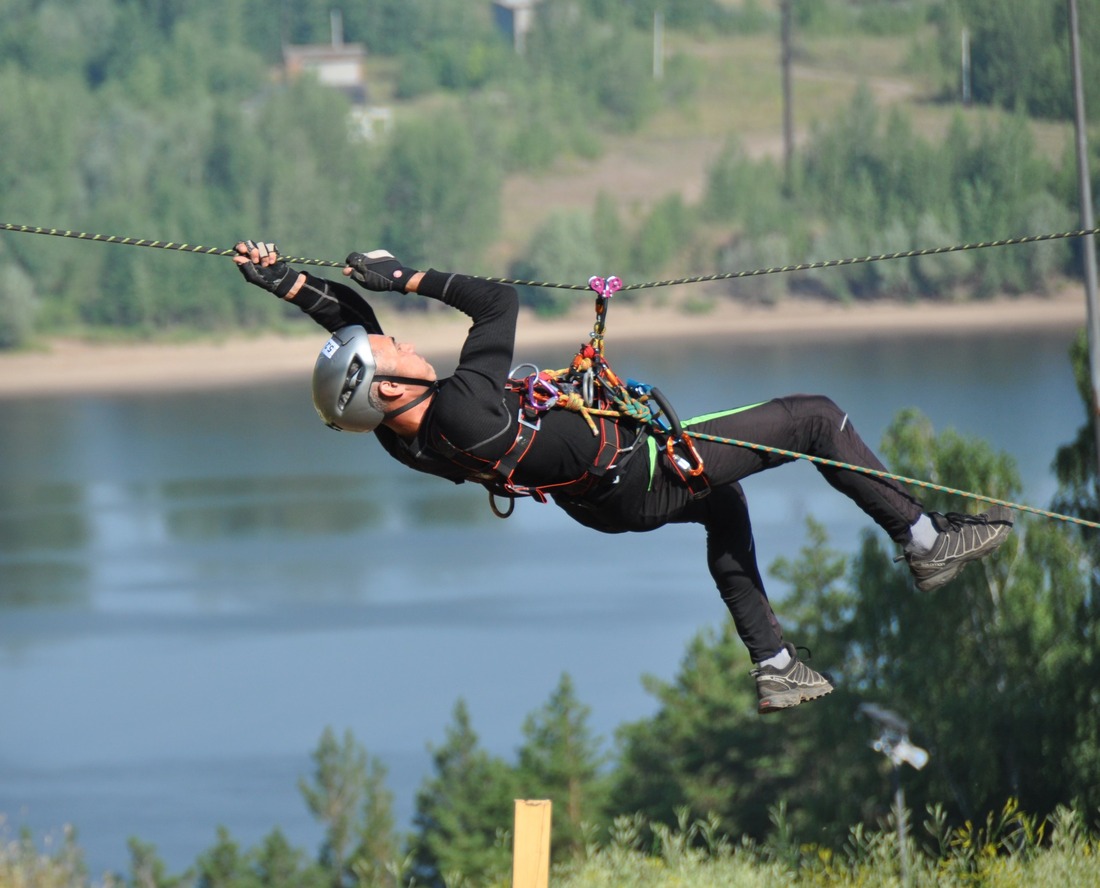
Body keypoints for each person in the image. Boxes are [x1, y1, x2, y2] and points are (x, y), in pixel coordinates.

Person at [233, 240, 1014, 714]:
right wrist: (405, 274)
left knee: (725, 503)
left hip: (602, 501)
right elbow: (495, 302)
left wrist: (287, 284)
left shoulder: (401, 437)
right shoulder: (463, 407)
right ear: (388, 389)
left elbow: (353, 332)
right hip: (635, 469)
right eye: (396, 352)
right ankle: (923, 541)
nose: (401, 340)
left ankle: (775, 666)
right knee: (814, 418)